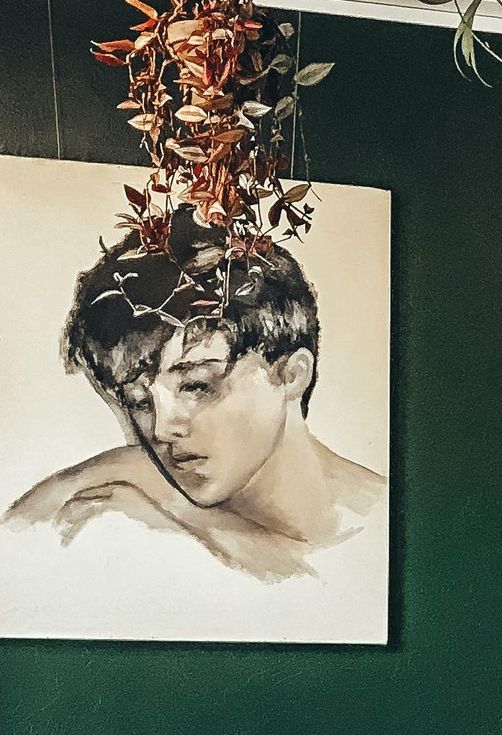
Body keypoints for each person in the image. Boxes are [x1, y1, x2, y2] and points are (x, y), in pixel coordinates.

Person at [4, 214, 384, 586]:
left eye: (197, 386)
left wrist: (206, 526)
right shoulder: (116, 484)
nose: (162, 428)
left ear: (291, 375)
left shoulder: (385, 520)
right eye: (137, 400)